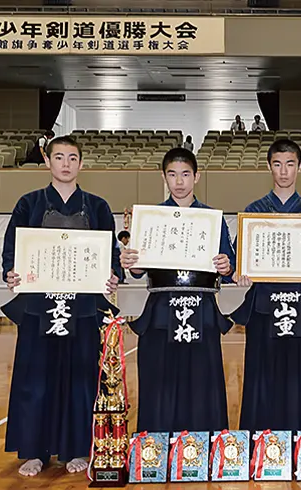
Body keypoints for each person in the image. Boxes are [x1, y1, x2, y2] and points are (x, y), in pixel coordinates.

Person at [0, 135, 120, 478]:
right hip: (40, 305)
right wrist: (12, 271)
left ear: (81, 164)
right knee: (34, 378)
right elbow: (14, 249)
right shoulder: (29, 203)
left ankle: (76, 449)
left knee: (81, 378)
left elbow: (110, 254)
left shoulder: (97, 206)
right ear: (48, 162)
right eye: (59, 157)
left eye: (72, 158)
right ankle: (34, 450)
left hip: (82, 307)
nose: (66, 164)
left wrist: (112, 275)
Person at [120, 148, 235, 434]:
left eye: (185, 174)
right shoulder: (150, 218)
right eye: (172, 174)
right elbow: (138, 271)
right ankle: (156, 447)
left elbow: (229, 269)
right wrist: (130, 262)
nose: (179, 181)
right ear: (163, 177)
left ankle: (205, 445)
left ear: (196, 177)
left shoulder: (212, 218)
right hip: (161, 310)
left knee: (202, 380)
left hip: (202, 308)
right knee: (159, 379)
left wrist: (225, 266)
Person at [231, 139, 301, 432]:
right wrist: (241, 272)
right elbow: (240, 259)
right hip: (264, 307)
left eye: (290, 164)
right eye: (277, 164)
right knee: (262, 376)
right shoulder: (254, 211)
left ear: (300, 167)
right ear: (269, 167)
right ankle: (262, 442)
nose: (284, 171)